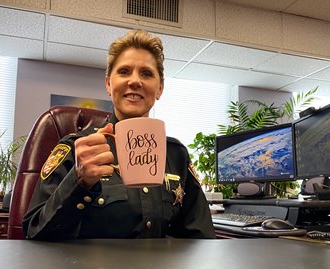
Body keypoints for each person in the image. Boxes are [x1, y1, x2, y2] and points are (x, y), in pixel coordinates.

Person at [22, 30, 215, 240]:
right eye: (124, 71)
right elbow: (34, 232)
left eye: (146, 73)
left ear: (159, 88)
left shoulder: (176, 155)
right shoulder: (75, 149)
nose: (134, 81)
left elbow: (201, 237)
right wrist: (79, 182)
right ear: (108, 84)